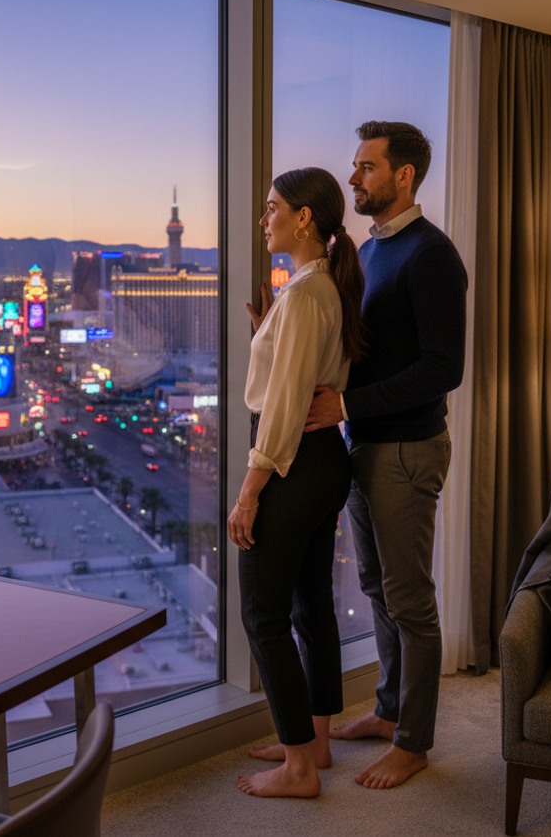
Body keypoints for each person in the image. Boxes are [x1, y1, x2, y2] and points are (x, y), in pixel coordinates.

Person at [305, 121, 468, 789]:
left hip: (405, 450)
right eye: (354, 166)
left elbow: (443, 368)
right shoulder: (371, 252)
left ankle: (414, 741)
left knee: (409, 598)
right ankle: (388, 708)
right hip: (368, 446)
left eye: (366, 167)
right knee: (375, 589)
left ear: (403, 175)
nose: (353, 178)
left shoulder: (432, 255)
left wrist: (346, 406)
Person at [230, 167, 366, 798]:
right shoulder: (309, 291)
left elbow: (283, 406)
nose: (265, 220)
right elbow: (293, 376)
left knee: (262, 611)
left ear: (304, 217)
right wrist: (267, 328)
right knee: (311, 602)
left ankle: (299, 768)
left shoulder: (310, 295)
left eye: (272, 208)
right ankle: (314, 742)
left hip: (295, 463)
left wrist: (250, 491)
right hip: (318, 463)